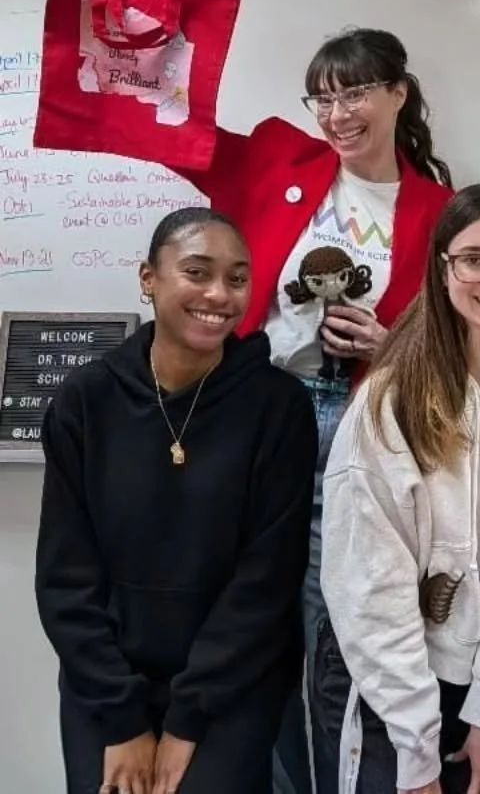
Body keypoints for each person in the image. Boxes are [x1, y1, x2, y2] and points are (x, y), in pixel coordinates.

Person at [62, 0, 458, 794]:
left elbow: (460, 344)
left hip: (361, 425)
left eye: (355, 91)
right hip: (251, 412)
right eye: (323, 95)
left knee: (328, 617)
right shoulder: (281, 156)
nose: (337, 112)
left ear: (398, 93)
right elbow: (165, 124)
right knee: (238, 601)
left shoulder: (440, 209)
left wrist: (389, 348)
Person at [34, 207, 317, 794]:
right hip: (108, 684)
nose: (219, 294)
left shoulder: (278, 407)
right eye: (197, 272)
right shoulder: (85, 401)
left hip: (231, 683)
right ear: (149, 278)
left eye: (237, 278)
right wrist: (121, 717)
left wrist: (189, 718)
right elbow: (66, 578)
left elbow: (266, 581)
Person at [320, 184, 480, 794]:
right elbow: (372, 586)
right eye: (473, 260)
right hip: (387, 678)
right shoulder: (390, 401)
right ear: (443, 270)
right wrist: (417, 750)